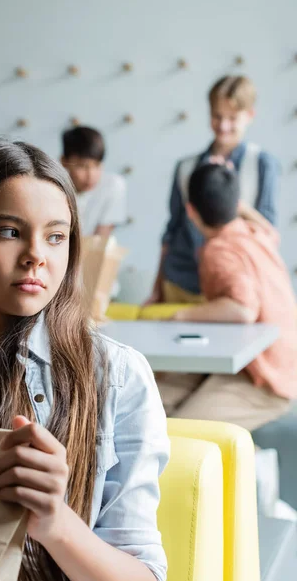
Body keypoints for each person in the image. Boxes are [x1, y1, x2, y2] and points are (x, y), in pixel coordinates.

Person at [0, 138, 169, 581]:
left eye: (56, 236)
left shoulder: (117, 377)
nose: (37, 256)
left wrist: (55, 522)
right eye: (8, 231)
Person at [156, 162, 296, 432]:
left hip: (267, 379)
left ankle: (257, 465)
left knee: (178, 432)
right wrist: (232, 195)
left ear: (190, 211)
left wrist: (182, 315)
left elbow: (243, 309)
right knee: (156, 405)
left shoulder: (220, 250)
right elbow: (270, 229)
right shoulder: (255, 233)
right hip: (269, 363)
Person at [145, 75, 280, 305]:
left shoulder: (261, 163)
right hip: (181, 283)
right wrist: (157, 289)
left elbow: (267, 231)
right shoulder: (186, 168)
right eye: (217, 116)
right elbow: (172, 230)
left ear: (249, 116)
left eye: (232, 118)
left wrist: (236, 206)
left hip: (233, 287)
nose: (223, 126)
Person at [61, 126, 127, 237]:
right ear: (64, 161)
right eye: (82, 166)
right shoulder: (53, 188)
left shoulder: (113, 185)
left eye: (97, 165)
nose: (90, 175)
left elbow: (101, 236)